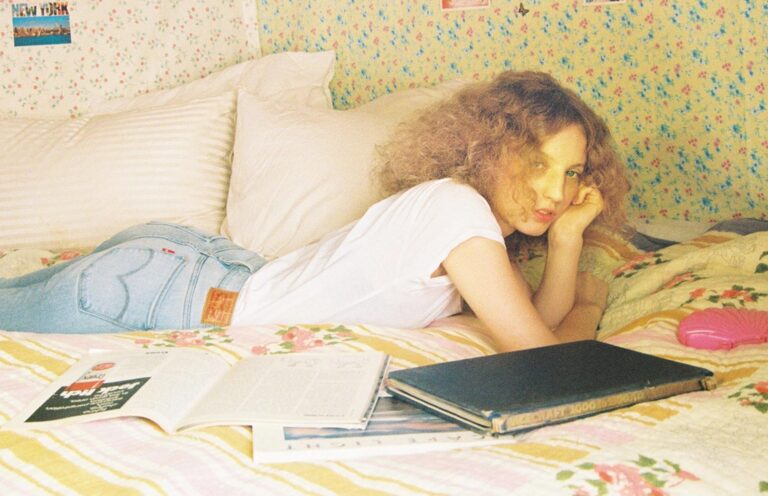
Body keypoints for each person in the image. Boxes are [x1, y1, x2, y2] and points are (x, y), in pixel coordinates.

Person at [0, 71, 629, 352]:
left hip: (198, 268)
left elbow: (531, 319)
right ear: (492, 151)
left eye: (572, 172)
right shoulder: (458, 215)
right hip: (171, 293)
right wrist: (590, 307)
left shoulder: (469, 225)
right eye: (538, 163)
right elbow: (542, 352)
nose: (555, 192)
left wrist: (568, 238)